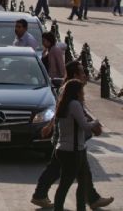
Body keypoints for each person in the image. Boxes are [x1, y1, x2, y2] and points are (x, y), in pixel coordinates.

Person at [31, 64, 113, 209]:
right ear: (75, 75)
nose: (85, 76)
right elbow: (79, 119)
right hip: (69, 144)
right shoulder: (70, 93)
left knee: (81, 175)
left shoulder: (71, 92)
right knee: (62, 176)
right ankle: (41, 195)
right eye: (82, 73)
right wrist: (95, 123)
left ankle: (91, 199)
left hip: (72, 143)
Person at [52, 80, 102, 211]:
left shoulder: (65, 104)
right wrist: (95, 123)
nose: (83, 93)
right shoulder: (74, 105)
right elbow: (85, 126)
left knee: (82, 181)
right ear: (77, 92)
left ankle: (80, 208)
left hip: (68, 149)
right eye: (82, 91)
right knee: (66, 183)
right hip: (72, 151)